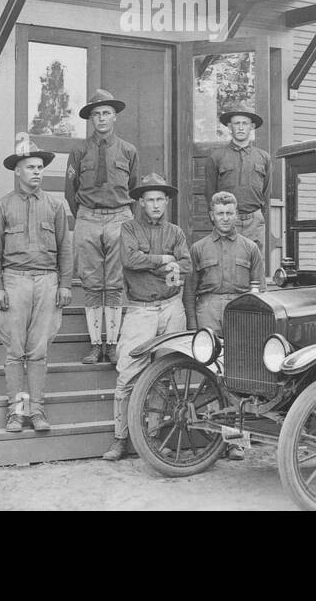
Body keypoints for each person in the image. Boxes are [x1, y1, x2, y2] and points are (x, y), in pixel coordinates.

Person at [0, 135, 73, 433]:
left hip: (47, 283)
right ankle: (16, 413)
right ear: (17, 171)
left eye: (40, 167)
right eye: (30, 167)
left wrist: (65, 284)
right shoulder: (2, 206)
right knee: (15, 352)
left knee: (38, 352)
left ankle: (36, 411)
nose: (37, 171)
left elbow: (65, 248)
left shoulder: (55, 206)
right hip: (14, 282)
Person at [103, 173, 191, 462]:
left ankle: (153, 438)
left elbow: (185, 266)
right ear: (140, 202)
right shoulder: (128, 228)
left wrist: (149, 262)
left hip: (171, 308)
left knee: (164, 376)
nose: (155, 205)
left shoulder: (175, 233)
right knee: (128, 374)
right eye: (149, 199)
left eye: (160, 199)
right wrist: (163, 260)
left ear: (166, 201)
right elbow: (129, 260)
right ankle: (119, 439)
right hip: (141, 310)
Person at [65, 89, 139, 364]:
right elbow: (69, 189)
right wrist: (86, 215)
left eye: (106, 113)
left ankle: (114, 343)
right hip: (88, 217)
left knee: (116, 282)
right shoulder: (78, 150)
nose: (101, 118)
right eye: (96, 114)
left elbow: (133, 186)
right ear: (91, 119)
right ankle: (97, 345)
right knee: (93, 283)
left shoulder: (128, 150)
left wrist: (121, 214)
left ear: (115, 116)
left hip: (119, 216)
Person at [186, 191, 265, 333]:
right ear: (212, 216)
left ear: (236, 215)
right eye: (220, 213)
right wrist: (192, 326)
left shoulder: (250, 248)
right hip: (207, 311)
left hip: (241, 309)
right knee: (206, 353)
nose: (225, 218)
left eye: (229, 213)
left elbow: (261, 290)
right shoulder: (198, 248)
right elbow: (189, 292)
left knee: (241, 352)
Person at [204, 105, 271, 251]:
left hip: (254, 221)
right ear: (229, 126)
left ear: (252, 126)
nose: (240, 128)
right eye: (236, 123)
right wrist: (219, 219)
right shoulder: (217, 157)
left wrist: (260, 217)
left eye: (245, 123)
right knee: (227, 264)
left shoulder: (263, 157)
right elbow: (210, 193)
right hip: (227, 219)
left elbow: (266, 193)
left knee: (255, 266)